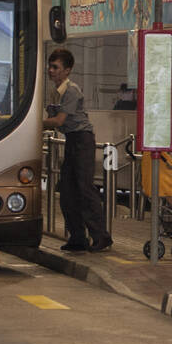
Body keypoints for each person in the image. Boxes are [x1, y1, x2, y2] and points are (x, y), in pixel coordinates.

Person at [42, 49, 113, 253]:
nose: (51, 70)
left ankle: (101, 236)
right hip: (72, 140)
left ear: (67, 70)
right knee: (67, 190)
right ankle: (77, 237)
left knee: (84, 188)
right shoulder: (57, 91)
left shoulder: (71, 90)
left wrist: (33, 124)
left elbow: (59, 121)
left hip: (82, 140)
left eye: (56, 67)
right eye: (50, 66)